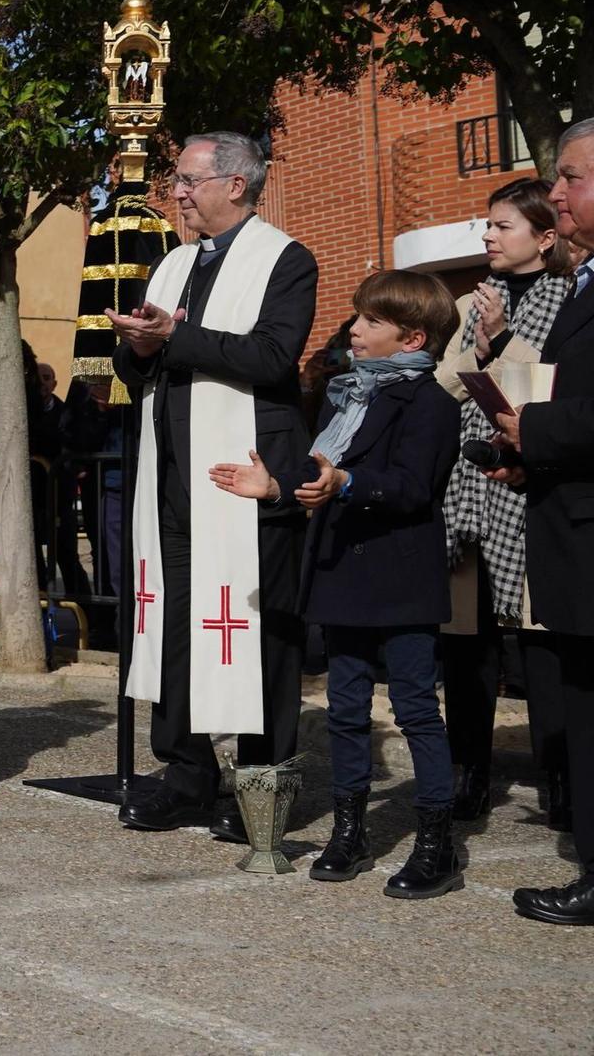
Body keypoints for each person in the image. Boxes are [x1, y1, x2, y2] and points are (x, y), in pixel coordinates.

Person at [211, 270, 464, 897]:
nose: (354, 329)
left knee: (414, 711)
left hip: (400, 575)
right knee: (346, 710)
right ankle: (348, 832)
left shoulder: (430, 402)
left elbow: (412, 487)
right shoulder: (345, 394)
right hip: (342, 573)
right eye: (358, 317)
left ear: (413, 336)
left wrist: (348, 484)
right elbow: (317, 470)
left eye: (371, 321)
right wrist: (274, 487)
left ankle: (437, 844)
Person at [108, 131, 317, 836]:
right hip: (170, 474)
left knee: (259, 627)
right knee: (177, 625)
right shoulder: (172, 264)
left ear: (235, 183)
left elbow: (273, 355)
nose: (177, 192)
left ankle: (261, 786)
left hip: (245, 472)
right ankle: (188, 774)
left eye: (189, 179)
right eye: (176, 180)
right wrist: (138, 348)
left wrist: (171, 339)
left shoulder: (285, 259)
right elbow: (140, 369)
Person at [434, 178, 575, 826]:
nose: (488, 236)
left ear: (545, 238)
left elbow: (536, 389)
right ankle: (469, 771)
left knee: (542, 646)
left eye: (502, 225)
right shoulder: (471, 301)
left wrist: (500, 341)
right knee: (467, 644)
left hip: (531, 491)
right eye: (486, 225)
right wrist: (482, 339)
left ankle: (560, 778)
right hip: (468, 493)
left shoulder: (568, 299)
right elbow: (446, 382)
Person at [491, 117, 594, 926]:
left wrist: (540, 432)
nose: (555, 192)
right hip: (568, 516)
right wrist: (528, 450)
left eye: (570, 177)